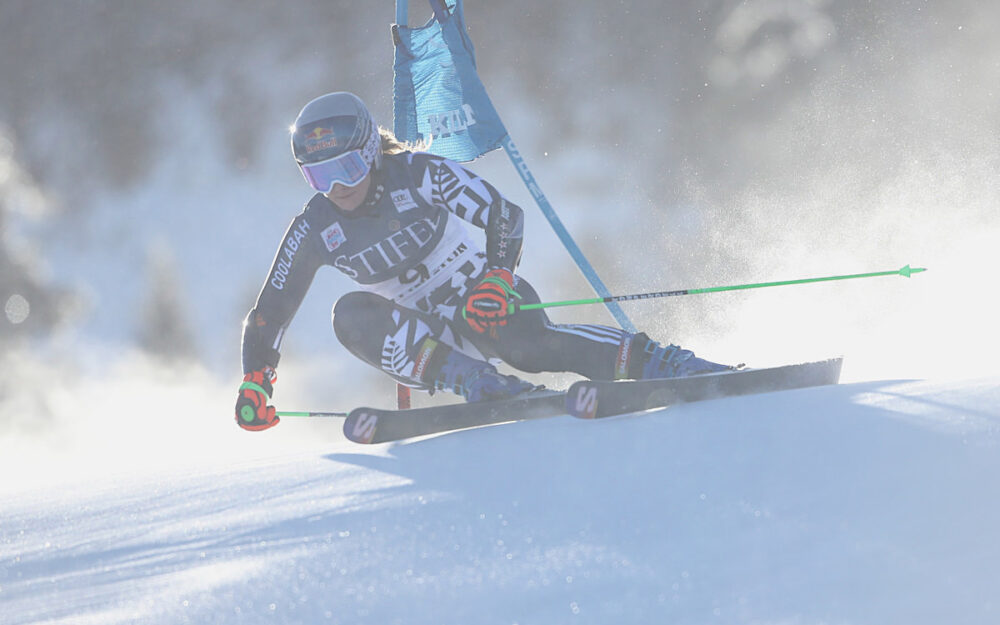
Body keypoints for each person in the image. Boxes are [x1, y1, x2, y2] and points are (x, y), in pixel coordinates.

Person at [235, 92, 732, 431]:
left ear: (369, 151)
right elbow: (269, 314)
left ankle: (661, 361)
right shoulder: (315, 226)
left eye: (346, 168)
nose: (338, 188)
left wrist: (498, 274)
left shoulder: (417, 173)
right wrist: (257, 378)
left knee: (529, 346)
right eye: (319, 178)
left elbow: (502, 213)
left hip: (483, 299)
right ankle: (477, 381)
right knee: (347, 315)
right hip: (424, 340)